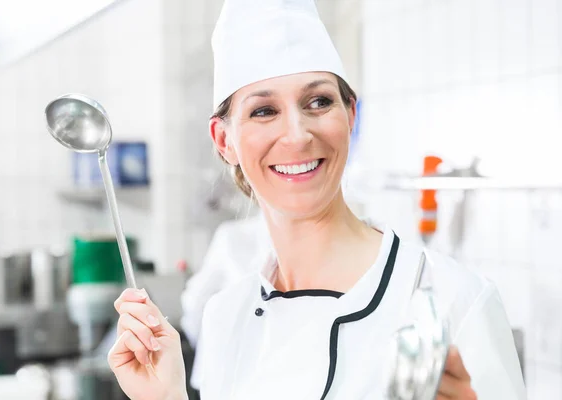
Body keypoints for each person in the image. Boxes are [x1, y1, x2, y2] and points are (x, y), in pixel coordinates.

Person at [108, 0, 526, 399]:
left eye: (319, 102)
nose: (297, 135)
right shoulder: (225, 318)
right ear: (224, 141)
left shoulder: (454, 300)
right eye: (264, 111)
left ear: (351, 115)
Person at [179, 212, 270, 390]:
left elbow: (194, 300)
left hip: (224, 368)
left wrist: (205, 342)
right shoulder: (232, 236)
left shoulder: (232, 235)